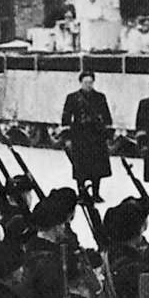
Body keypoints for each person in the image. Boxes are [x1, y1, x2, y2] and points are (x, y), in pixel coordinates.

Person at [61, 70, 112, 203]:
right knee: (80, 167)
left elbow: (107, 116)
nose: (88, 85)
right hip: (80, 136)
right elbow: (66, 118)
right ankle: (82, 193)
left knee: (97, 167)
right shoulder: (72, 98)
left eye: (90, 82)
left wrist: (107, 136)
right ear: (81, 82)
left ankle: (96, 193)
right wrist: (67, 139)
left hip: (96, 136)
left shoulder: (100, 97)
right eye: (85, 82)